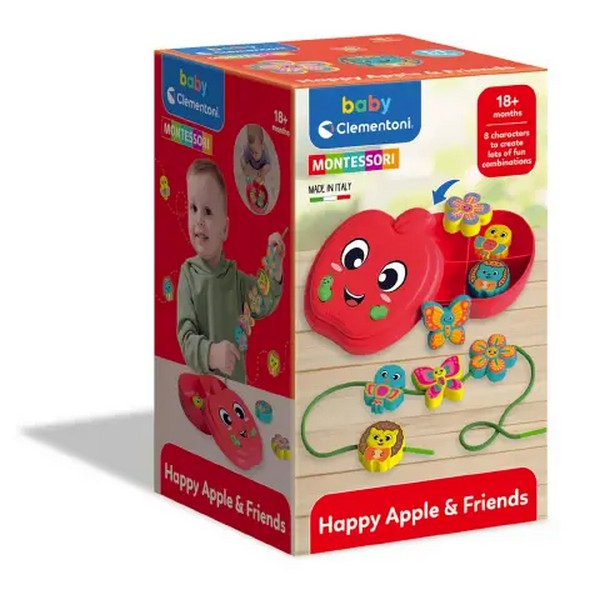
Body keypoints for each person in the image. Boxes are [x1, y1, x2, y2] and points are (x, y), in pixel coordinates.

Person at [177, 159, 285, 383]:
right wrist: (211, 354)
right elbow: (185, 338)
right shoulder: (188, 275)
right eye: (193, 208)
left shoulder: (235, 279)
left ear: (224, 229)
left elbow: (262, 303)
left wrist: (275, 266)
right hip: (201, 390)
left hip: (236, 389)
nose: (198, 220)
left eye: (208, 211)